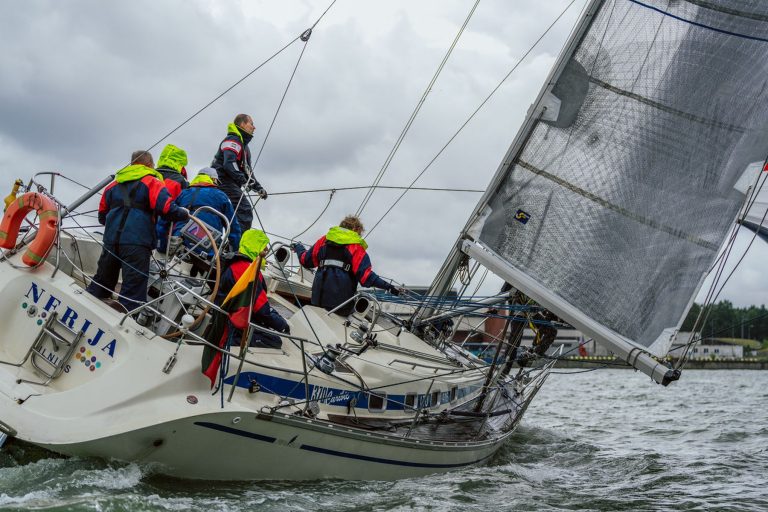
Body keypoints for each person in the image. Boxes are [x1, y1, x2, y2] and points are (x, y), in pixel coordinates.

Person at [87, 150, 189, 311]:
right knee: (132, 291)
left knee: (102, 281)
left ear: (133, 163)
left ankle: (88, 308)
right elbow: (167, 208)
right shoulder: (152, 182)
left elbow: (102, 216)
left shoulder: (113, 184)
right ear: (150, 164)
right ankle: (124, 323)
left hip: (111, 241)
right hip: (137, 243)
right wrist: (184, 213)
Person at [292, 215, 401, 316]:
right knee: (358, 315)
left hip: (317, 300)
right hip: (340, 305)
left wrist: (298, 247)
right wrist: (389, 287)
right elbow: (366, 277)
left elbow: (306, 261)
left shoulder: (323, 241)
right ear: (355, 230)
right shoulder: (356, 248)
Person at [215, 229, 289, 348]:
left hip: (228, 318)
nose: (266, 253)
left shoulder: (237, 264)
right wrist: (282, 325)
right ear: (256, 248)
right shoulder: (247, 270)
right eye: (265, 249)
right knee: (275, 341)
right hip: (233, 325)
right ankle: (230, 344)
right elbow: (261, 309)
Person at [156, 167, 242, 257]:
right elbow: (233, 228)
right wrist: (234, 252)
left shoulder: (183, 193)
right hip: (208, 249)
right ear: (213, 179)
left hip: (179, 243)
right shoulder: (221, 196)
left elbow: (164, 221)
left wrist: (161, 246)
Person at [211, 114, 267, 231]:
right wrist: (244, 181)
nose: (254, 127)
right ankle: (237, 245)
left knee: (235, 213)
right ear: (242, 124)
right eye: (251, 123)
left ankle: (230, 243)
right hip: (222, 181)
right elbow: (229, 164)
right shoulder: (233, 140)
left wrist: (258, 188)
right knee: (244, 210)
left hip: (230, 183)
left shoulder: (245, 147)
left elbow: (248, 172)